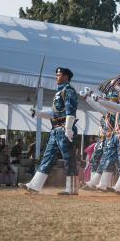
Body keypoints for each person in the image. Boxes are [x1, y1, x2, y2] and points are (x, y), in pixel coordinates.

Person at [19, 67, 79, 195]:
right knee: (47, 157)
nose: (56, 77)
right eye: (56, 75)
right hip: (55, 130)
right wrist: (38, 113)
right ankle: (35, 185)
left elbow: (70, 111)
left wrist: (68, 128)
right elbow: (54, 113)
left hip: (64, 128)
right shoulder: (59, 92)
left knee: (69, 158)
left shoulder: (69, 91)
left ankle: (72, 188)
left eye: (59, 75)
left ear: (66, 77)